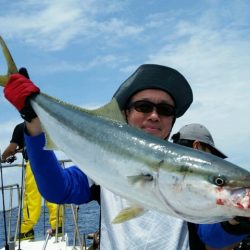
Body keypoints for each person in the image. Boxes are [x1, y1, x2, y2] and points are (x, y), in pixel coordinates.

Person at [3, 64, 250, 249]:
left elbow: (210, 237)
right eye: (144, 107)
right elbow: (58, 189)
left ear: (172, 121)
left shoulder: (186, 175)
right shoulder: (102, 164)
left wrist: (239, 222)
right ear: (126, 113)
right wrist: (33, 121)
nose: (154, 115)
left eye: (165, 110)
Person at [171, 123, 250, 250]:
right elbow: (209, 238)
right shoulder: (198, 189)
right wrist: (238, 222)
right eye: (212, 155)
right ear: (197, 147)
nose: (214, 161)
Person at [1, 122, 63, 240]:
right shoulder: (44, 123)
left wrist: (3, 157)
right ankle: (58, 227)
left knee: (31, 198)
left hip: (34, 162)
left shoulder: (21, 128)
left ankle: (26, 231)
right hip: (51, 161)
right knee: (53, 194)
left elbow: (11, 149)